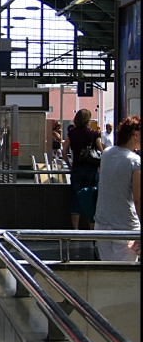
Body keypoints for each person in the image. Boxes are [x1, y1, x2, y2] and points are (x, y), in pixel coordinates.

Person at [94, 115, 140, 261]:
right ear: (135, 134)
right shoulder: (135, 161)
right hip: (126, 226)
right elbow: (138, 198)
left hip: (102, 225)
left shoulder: (107, 154)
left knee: (108, 270)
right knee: (124, 275)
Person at [63, 109, 105, 229]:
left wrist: (70, 165)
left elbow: (64, 151)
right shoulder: (94, 134)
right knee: (91, 199)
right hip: (92, 171)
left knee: (76, 199)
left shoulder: (72, 133)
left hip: (77, 169)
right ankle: (91, 231)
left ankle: (76, 230)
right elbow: (101, 151)